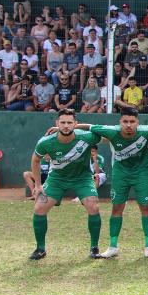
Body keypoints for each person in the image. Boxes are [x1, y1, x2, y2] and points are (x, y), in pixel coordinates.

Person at [59, 109, 148, 258]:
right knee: (117, 208)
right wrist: (62, 128)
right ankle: (113, 246)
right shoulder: (111, 132)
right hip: (120, 174)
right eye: (125, 122)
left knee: (145, 208)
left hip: (142, 174)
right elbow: (89, 126)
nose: (128, 125)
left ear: (137, 123)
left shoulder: (147, 131)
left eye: (132, 122)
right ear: (119, 122)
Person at [29, 109, 104, 260]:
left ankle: (94, 248)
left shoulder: (87, 137)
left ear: (75, 124)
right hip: (57, 178)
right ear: (56, 123)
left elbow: (104, 134)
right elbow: (35, 160)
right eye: (62, 122)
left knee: (93, 206)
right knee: (39, 208)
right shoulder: (46, 142)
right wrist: (38, 185)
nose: (66, 126)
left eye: (70, 123)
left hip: (82, 178)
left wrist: (82, 126)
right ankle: (40, 248)